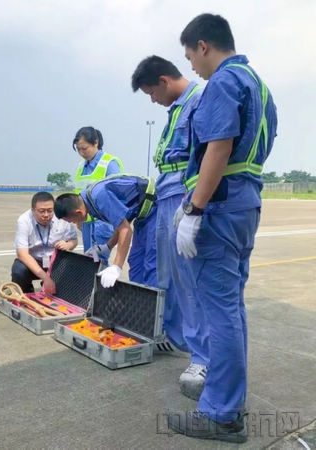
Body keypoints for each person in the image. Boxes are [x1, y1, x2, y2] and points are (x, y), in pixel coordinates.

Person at [167, 14, 277, 443]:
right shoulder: (259, 85)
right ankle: (229, 399)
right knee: (232, 308)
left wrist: (194, 209)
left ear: (203, 45)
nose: (192, 65)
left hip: (220, 205)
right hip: (244, 202)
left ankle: (222, 413)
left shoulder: (225, 82)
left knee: (219, 312)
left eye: (190, 55)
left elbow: (218, 146)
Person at [131, 56, 209, 400]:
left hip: (182, 195)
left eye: (151, 92)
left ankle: (202, 357)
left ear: (163, 80)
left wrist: (193, 207)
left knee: (190, 281)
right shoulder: (176, 109)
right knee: (167, 277)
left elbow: (206, 156)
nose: (152, 100)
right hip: (166, 193)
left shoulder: (199, 102)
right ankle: (172, 335)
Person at [54, 174, 157, 289]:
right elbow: (121, 222)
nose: (74, 223)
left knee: (151, 263)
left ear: (79, 212)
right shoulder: (89, 202)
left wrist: (116, 266)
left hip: (156, 209)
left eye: (72, 221)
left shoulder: (99, 197)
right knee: (135, 262)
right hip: (143, 217)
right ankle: (142, 301)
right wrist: (107, 246)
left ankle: (157, 304)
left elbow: (125, 230)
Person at [72, 127, 124, 257]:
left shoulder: (110, 163)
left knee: (99, 262)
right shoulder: (81, 166)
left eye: (84, 148)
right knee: (88, 259)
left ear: (95, 143)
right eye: (78, 149)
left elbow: (117, 194)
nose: (82, 153)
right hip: (86, 222)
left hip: (103, 223)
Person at [11, 191, 78, 293]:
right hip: (33, 261)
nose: (46, 215)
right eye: (42, 211)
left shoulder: (61, 217)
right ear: (33, 210)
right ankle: (26, 294)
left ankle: (51, 290)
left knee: (73, 268)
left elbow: (74, 240)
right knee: (19, 269)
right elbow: (22, 254)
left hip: (55, 261)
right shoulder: (24, 220)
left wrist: (68, 245)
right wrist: (45, 278)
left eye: (50, 211)